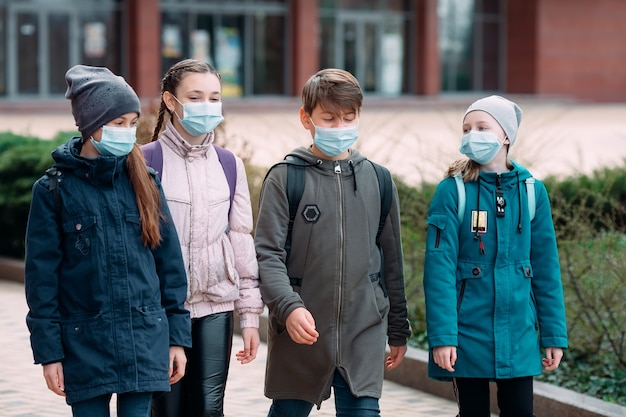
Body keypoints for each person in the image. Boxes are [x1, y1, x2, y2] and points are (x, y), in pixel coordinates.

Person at [24, 65, 192, 417]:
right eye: (117, 123)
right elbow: (42, 282)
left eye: (132, 123)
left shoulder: (145, 181)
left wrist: (177, 338)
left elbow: (170, 267)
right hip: (83, 343)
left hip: (144, 339)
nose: (127, 132)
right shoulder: (53, 190)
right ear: (89, 124)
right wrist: (49, 353)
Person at [254, 68, 411, 417]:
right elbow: (267, 255)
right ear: (306, 118)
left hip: (363, 331)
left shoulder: (379, 180)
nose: (339, 128)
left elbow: (391, 259)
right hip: (301, 332)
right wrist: (289, 307)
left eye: (348, 118)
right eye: (328, 118)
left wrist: (398, 329)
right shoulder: (285, 178)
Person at [423, 95, 568, 417]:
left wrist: (554, 335)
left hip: (519, 332)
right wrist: (444, 337)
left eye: (482, 127)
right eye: (467, 128)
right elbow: (439, 270)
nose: (472, 134)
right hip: (467, 332)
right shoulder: (452, 190)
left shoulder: (532, 191)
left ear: (505, 136)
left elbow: (546, 268)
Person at [144, 58, 263, 417]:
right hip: (164, 311)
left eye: (214, 97)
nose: (207, 106)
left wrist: (250, 317)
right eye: (195, 97)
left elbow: (241, 239)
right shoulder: (145, 161)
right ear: (170, 101)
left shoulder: (229, 164)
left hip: (216, 306)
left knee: (210, 409)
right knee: (167, 409)